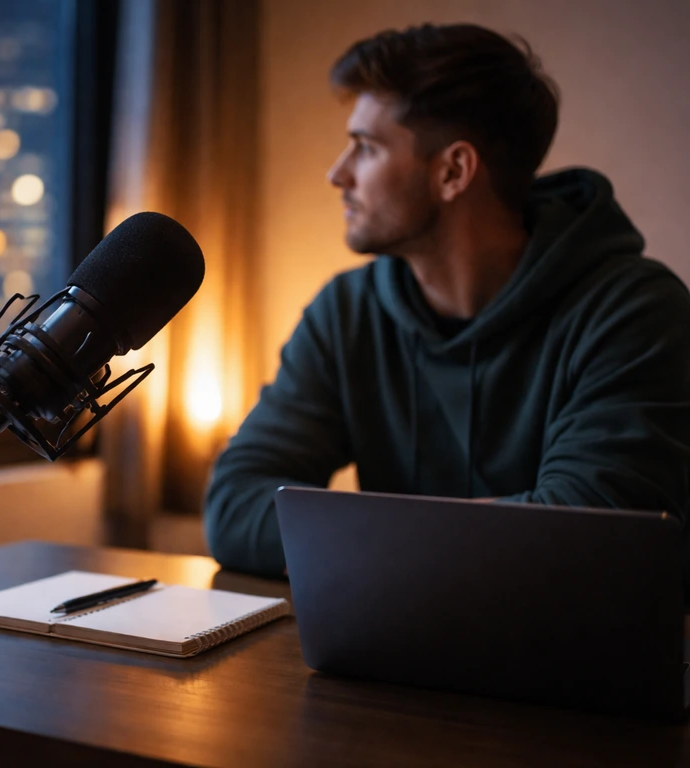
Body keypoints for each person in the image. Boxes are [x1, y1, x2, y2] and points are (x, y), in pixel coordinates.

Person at [203, 23, 690, 576]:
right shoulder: (346, 312)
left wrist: (358, 539)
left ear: (453, 171)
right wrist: (454, 539)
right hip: (393, 651)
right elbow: (236, 506)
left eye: (365, 147)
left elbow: (592, 535)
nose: (337, 174)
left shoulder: (635, 313)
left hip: (587, 659)